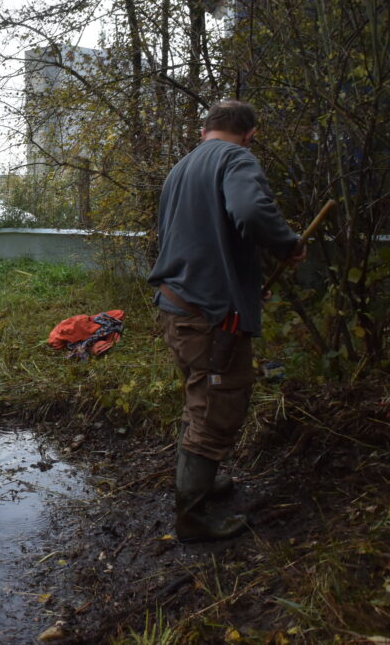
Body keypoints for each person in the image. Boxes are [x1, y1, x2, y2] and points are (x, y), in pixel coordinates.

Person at [147, 100, 307, 542]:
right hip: (209, 316)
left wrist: (242, 285)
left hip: (176, 306)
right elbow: (251, 213)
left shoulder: (181, 169)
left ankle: (202, 481)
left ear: (205, 131)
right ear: (250, 134)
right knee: (217, 409)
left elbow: (202, 239)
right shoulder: (237, 158)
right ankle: (192, 519)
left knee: (199, 396)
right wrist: (287, 244)